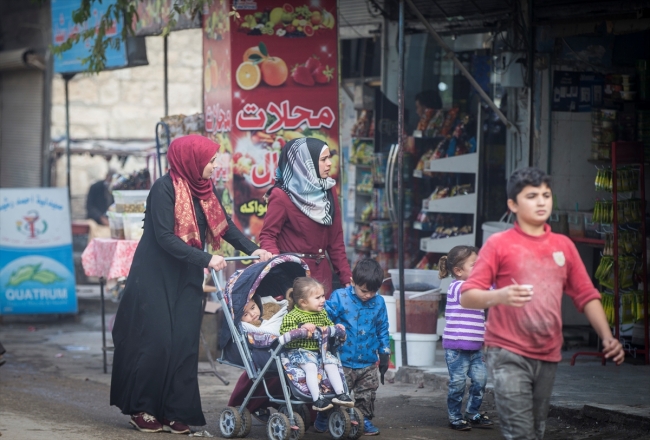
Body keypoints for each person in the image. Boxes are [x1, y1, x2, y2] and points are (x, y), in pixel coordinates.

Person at [110, 135, 272, 434]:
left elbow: (225, 226)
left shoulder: (206, 191)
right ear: (192, 161)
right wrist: (206, 258)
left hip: (187, 273)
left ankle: (175, 411)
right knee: (157, 341)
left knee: (184, 343)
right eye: (210, 161)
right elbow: (164, 237)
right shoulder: (164, 188)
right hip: (154, 275)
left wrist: (254, 250)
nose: (214, 166)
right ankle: (142, 407)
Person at [460, 167, 624, 440]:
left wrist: (607, 337)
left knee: (536, 431)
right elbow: (467, 296)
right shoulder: (499, 244)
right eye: (532, 196)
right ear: (513, 204)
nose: (541, 202)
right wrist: (499, 296)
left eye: (546, 195)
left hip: (547, 352)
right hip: (506, 351)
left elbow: (586, 294)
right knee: (521, 433)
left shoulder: (563, 245)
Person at [259, 137, 352, 296]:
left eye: (329, 158)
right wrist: (277, 269)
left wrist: (346, 278)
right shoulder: (282, 195)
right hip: (293, 278)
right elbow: (268, 236)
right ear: (306, 163)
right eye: (323, 159)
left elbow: (335, 239)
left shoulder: (328, 191)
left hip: (321, 277)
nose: (329, 163)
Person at [317, 258, 390, 435]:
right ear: (352, 282)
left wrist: (385, 353)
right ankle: (325, 415)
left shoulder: (379, 302)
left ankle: (363, 419)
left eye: (373, 291)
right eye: (364, 290)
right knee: (336, 392)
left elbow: (382, 328)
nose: (368, 295)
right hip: (342, 360)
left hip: (368, 360)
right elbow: (325, 319)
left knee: (367, 393)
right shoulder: (339, 297)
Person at [438, 246, 493, 431]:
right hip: (457, 348)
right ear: (458, 271)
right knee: (458, 383)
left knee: (480, 380)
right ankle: (455, 416)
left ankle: (472, 412)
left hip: (476, 348)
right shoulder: (457, 287)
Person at [279, 277, 354, 411]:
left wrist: (336, 328)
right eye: (318, 297)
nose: (323, 300)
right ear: (303, 302)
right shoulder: (293, 315)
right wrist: (301, 327)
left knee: (332, 363)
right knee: (311, 367)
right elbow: (284, 332)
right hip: (300, 351)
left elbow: (329, 326)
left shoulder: (322, 313)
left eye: (323, 296)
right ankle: (317, 399)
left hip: (320, 351)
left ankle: (340, 393)